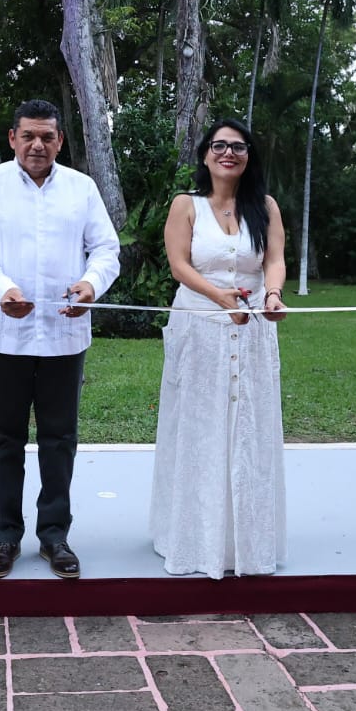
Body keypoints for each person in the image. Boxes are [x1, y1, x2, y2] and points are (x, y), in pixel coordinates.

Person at [0, 99, 120, 579]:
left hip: (64, 335)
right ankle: (5, 536)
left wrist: (91, 284)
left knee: (59, 439)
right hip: (4, 332)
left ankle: (55, 536)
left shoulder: (81, 188)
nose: (37, 145)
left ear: (60, 141)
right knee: (4, 439)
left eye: (47, 137)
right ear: (12, 138)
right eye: (28, 135)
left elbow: (107, 248)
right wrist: (2, 289)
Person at [151, 119, 288, 578]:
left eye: (238, 146)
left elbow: (274, 260)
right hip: (201, 329)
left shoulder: (264, 207)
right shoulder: (186, 205)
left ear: (249, 155)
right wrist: (218, 297)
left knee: (249, 426)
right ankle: (191, 537)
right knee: (200, 424)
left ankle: (245, 542)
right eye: (219, 146)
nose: (228, 153)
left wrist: (272, 296)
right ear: (206, 155)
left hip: (252, 331)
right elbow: (178, 265)